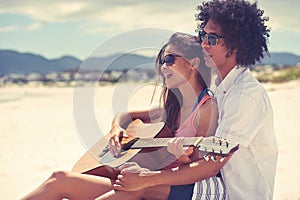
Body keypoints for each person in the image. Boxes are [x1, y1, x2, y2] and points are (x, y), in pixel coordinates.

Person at [21, 32, 227, 200]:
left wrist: (182, 159)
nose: (164, 67)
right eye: (162, 61)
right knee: (59, 178)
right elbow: (125, 116)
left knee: (64, 182)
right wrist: (116, 130)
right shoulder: (170, 108)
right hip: (138, 183)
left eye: (170, 60)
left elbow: (198, 170)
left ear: (193, 63)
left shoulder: (206, 108)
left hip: (156, 189)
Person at [112, 0, 278, 199]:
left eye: (213, 39)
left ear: (237, 44)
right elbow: (202, 155)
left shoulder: (245, 96)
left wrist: (148, 178)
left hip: (238, 194)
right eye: (203, 36)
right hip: (212, 182)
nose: (204, 44)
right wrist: (183, 157)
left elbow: (212, 162)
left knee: (138, 188)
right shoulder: (218, 87)